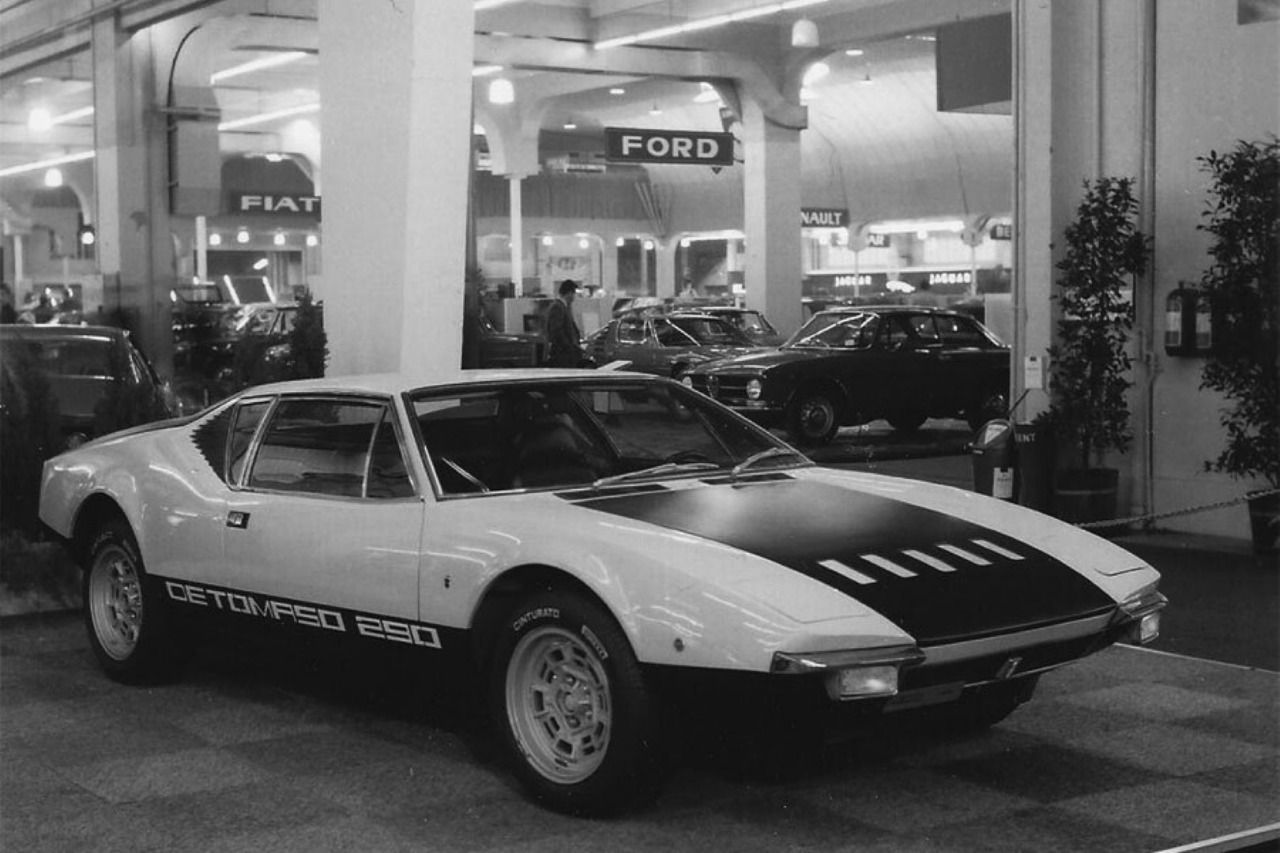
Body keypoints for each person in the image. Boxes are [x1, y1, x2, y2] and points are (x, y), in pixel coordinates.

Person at [545, 279, 584, 367]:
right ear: (569, 293)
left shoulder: (564, 307)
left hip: (567, 353)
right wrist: (569, 347)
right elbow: (556, 331)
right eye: (574, 294)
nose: (574, 297)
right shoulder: (557, 307)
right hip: (562, 355)